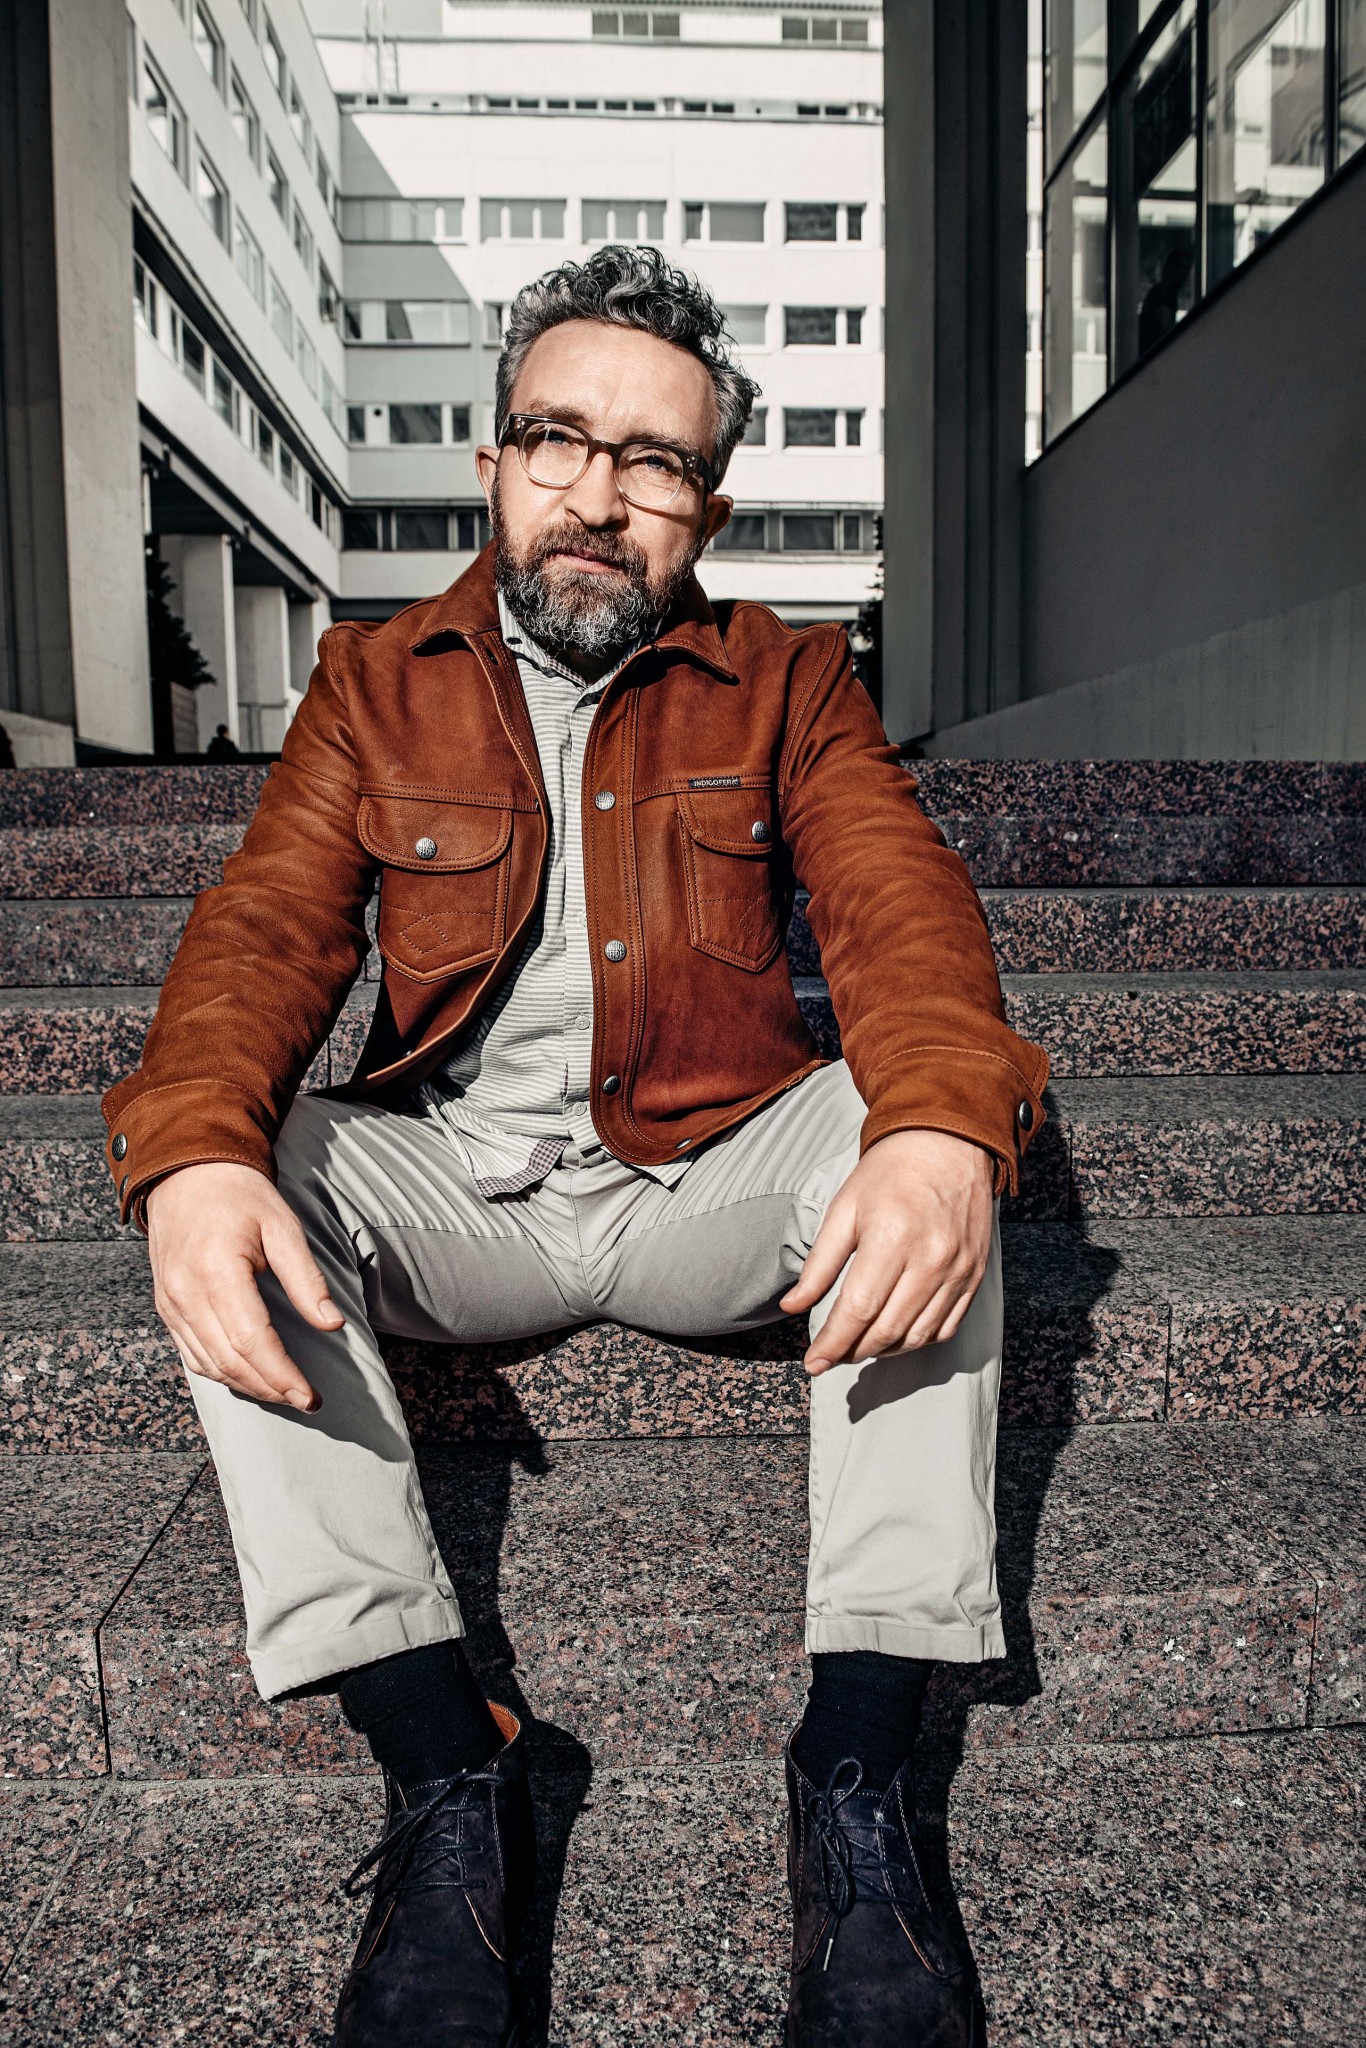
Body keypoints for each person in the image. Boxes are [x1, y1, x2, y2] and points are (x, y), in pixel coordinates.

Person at [103, 246, 1048, 2046]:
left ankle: (856, 1772)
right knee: (227, 1165)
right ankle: (447, 1763)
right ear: (493, 462)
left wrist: (937, 1128)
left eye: (655, 462)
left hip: (706, 1180)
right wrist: (199, 1149)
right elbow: (265, 930)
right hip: (462, 1191)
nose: (598, 497)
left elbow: (896, 902)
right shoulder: (371, 679)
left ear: (708, 508)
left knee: (928, 1125)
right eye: (558, 439)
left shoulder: (788, 679)